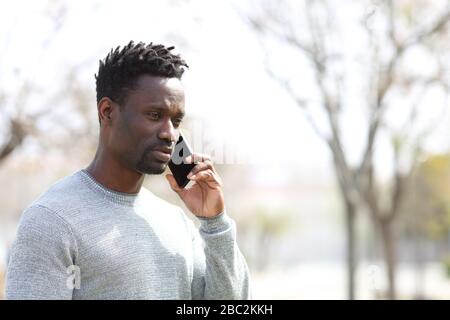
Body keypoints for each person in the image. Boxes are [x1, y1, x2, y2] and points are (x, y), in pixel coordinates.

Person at [5, 41, 251, 300]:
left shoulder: (176, 223)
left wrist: (215, 222)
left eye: (176, 121)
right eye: (155, 115)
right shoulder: (51, 221)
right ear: (107, 111)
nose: (170, 133)